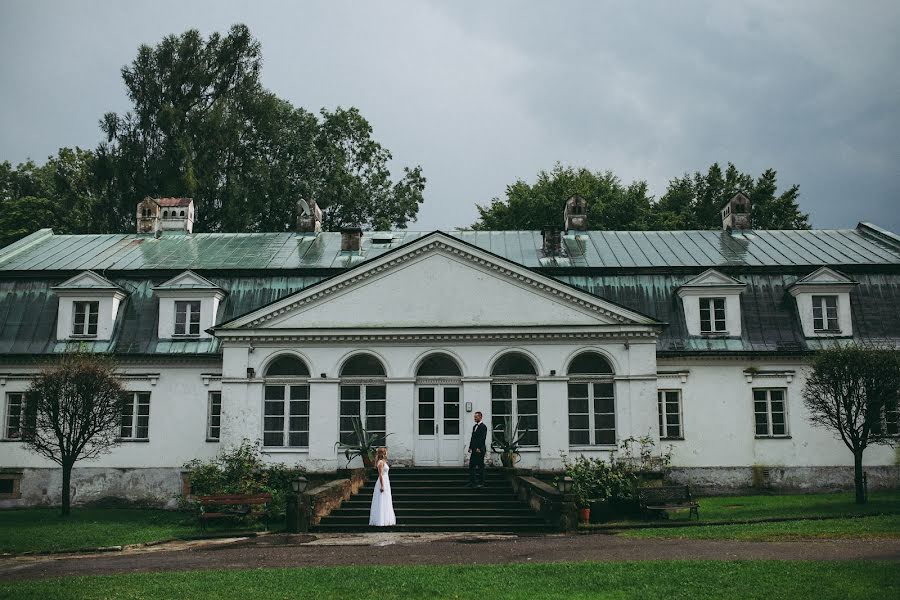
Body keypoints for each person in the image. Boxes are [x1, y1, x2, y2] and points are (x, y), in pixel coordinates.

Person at [369, 446, 396, 526]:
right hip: (383, 481)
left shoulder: (384, 462)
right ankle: (380, 520)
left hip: (386, 481)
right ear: (383, 453)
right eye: (386, 452)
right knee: (381, 500)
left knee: (386, 499)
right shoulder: (380, 462)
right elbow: (380, 475)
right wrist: (382, 485)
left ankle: (386, 519)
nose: (387, 453)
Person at [468, 411, 487, 488]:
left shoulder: (483, 427)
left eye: (476, 417)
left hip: (480, 449)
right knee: (471, 466)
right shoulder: (474, 426)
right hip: (474, 449)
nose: (474, 418)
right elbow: (473, 438)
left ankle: (481, 482)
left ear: (480, 417)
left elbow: (482, 438)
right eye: (474, 417)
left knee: (480, 466)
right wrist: (470, 447)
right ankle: (472, 482)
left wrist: (479, 448)